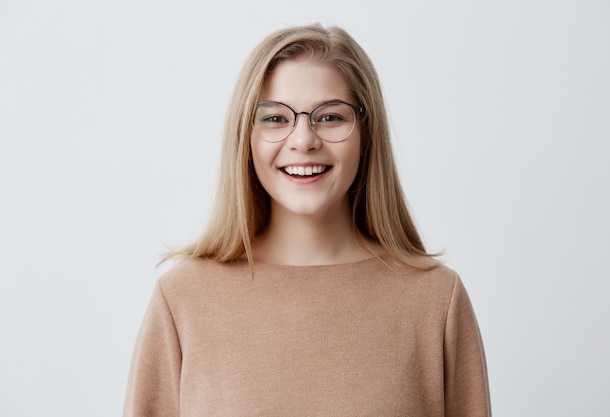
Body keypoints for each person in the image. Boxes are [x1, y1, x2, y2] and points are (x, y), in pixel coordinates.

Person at [123, 24, 491, 417]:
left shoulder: (436, 300)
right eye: (276, 118)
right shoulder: (183, 300)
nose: (303, 139)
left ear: (366, 136)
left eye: (330, 116)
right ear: (246, 139)